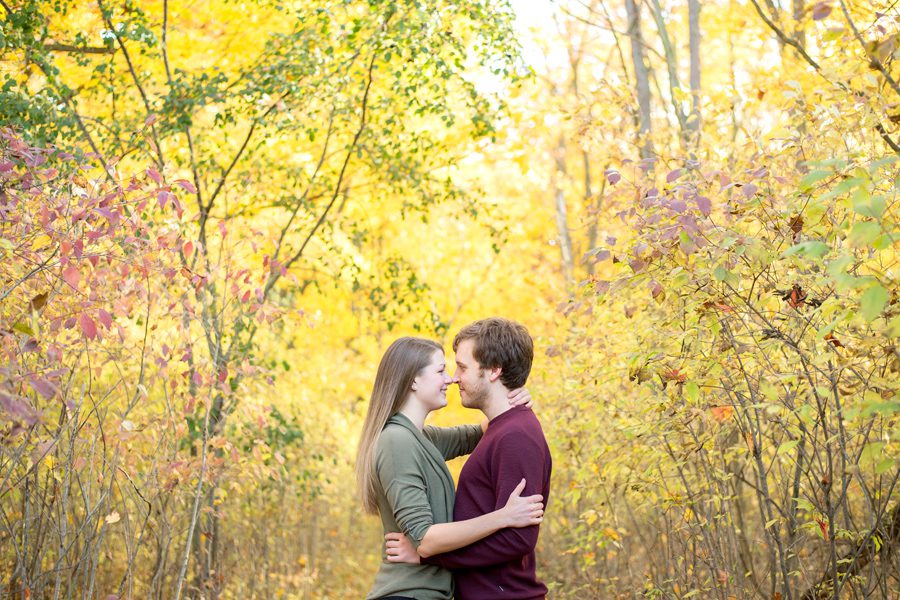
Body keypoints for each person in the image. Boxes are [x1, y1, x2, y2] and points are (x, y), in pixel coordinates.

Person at [356, 336, 545, 600]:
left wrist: (514, 400)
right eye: (440, 370)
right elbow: (425, 539)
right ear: (413, 380)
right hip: (408, 593)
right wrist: (503, 517)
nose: (450, 379)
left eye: (455, 369)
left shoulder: (421, 438)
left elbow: (480, 431)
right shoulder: (396, 441)